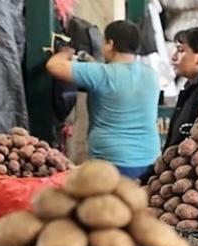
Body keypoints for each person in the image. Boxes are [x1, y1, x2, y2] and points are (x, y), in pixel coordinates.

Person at [46, 20, 160, 180]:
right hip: (150, 158)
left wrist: (66, 51)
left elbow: (54, 66)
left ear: (110, 44)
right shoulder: (151, 75)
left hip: (113, 163)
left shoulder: (101, 74)